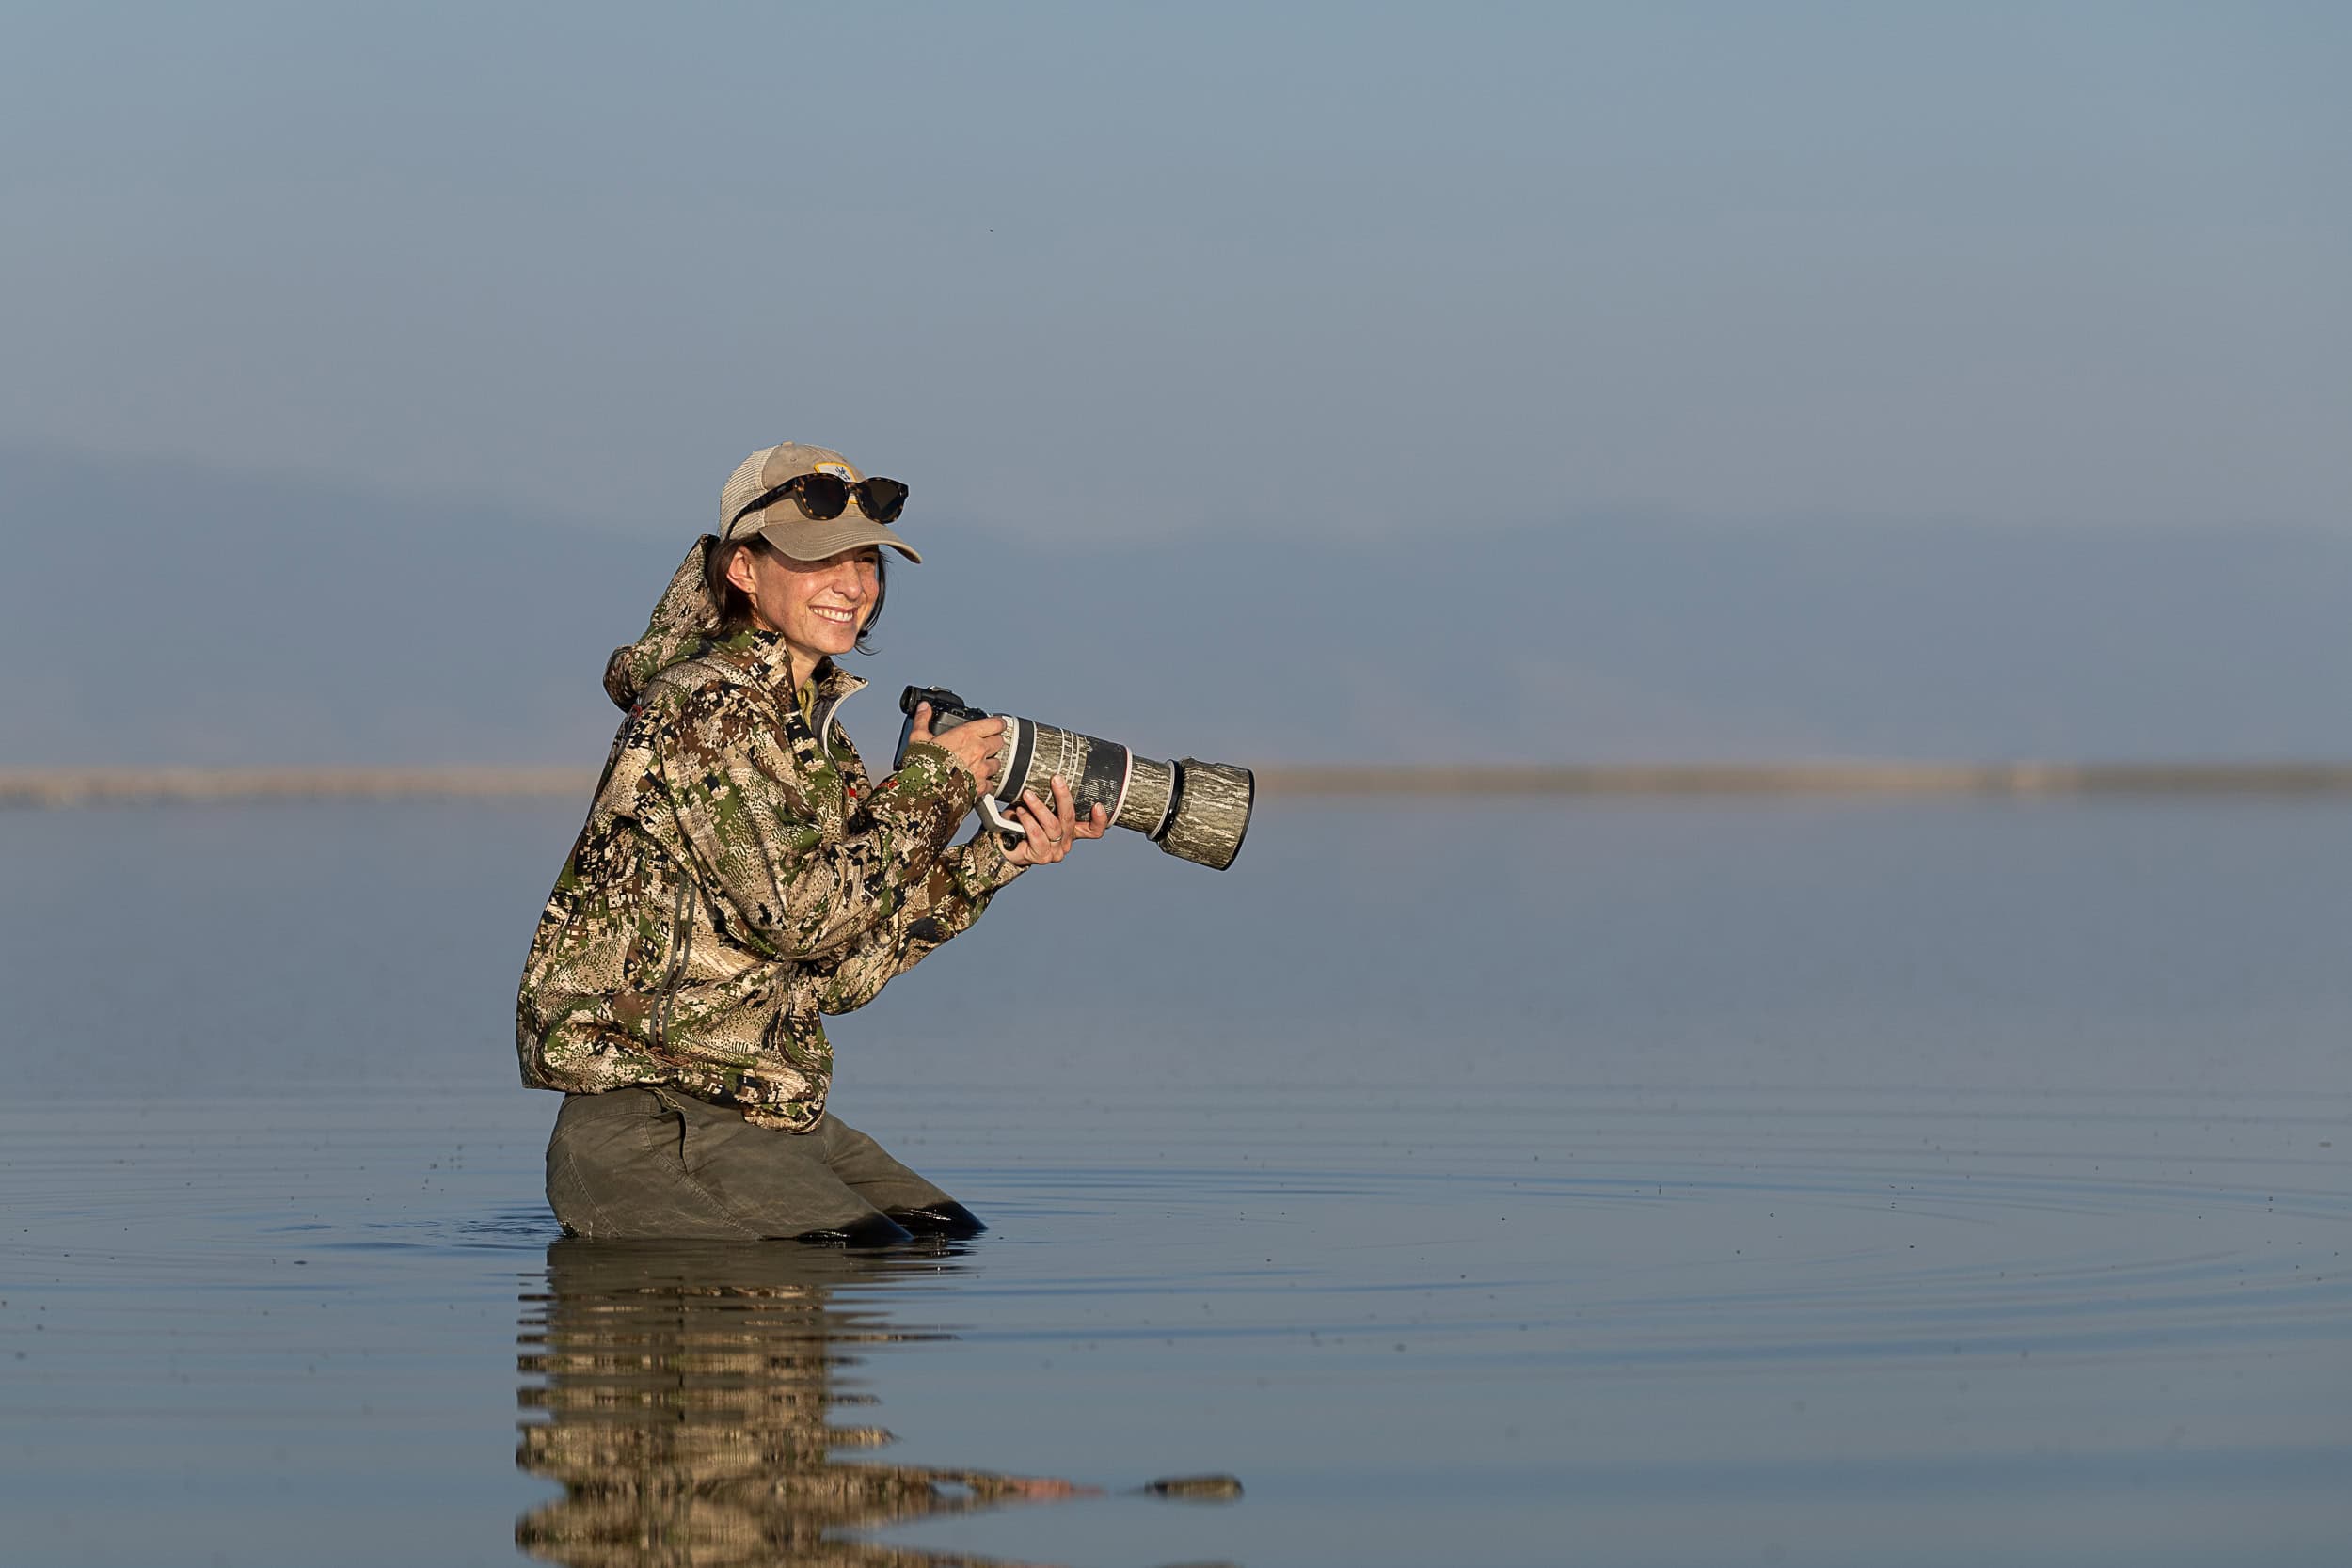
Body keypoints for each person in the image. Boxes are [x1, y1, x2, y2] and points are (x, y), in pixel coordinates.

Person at [516, 442, 1106, 1244]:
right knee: (863, 1253)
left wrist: (995, 856)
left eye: (865, 560)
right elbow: (802, 916)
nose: (853, 584)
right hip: (651, 1118)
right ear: (743, 570)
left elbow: (840, 971)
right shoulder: (704, 706)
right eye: (819, 556)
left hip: (759, 1106)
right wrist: (933, 787)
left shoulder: (814, 737)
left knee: (946, 1237)